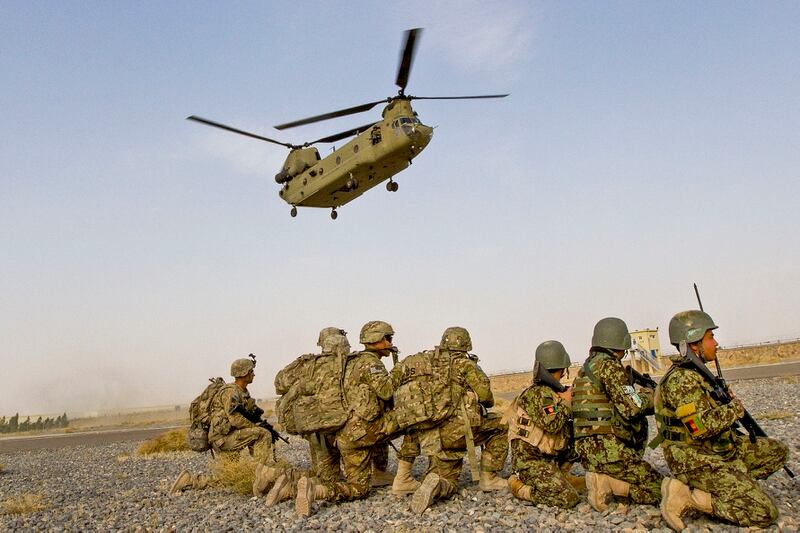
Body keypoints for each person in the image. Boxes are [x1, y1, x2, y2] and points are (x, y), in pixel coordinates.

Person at [654, 310, 789, 530]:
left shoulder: (699, 374)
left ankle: (732, 484)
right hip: (694, 458)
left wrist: (724, 401)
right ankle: (690, 497)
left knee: (777, 451)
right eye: (710, 337)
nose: (715, 343)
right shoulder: (682, 379)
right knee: (763, 512)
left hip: (717, 449)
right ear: (695, 343)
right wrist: (733, 409)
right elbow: (698, 427)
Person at [294, 321, 401, 516]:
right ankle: (405, 476)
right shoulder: (371, 363)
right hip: (359, 435)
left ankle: (286, 486)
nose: (390, 342)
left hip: (343, 431)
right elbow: (386, 392)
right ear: (376, 340)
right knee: (409, 420)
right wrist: (400, 373)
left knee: (345, 478)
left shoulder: (350, 361)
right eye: (388, 338)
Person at [409, 327, 508, 514]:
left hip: (432, 434)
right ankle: (489, 476)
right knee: (502, 425)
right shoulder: (466, 364)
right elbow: (487, 398)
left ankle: (437, 486)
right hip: (460, 432)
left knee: (449, 480)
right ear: (466, 344)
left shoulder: (428, 364)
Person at [572, 317, 664, 511]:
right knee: (662, 489)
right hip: (608, 450)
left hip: (589, 449)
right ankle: (608, 484)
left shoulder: (586, 368)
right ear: (620, 342)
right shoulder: (609, 366)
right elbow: (633, 407)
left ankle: (605, 479)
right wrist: (652, 396)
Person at [171, 357, 286, 496]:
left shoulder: (243, 392)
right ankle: (261, 475)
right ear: (244, 374)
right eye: (251, 371)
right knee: (262, 434)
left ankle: (190, 481)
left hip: (228, 436)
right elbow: (235, 419)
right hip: (223, 438)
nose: (253, 374)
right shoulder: (230, 392)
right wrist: (255, 426)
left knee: (232, 478)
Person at [507, 340, 583, 508]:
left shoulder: (551, 391)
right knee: (568, 498)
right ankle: (519, 486)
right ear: (563, 368)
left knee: (583, 435)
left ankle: (561, 474)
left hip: (547, 458)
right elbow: (553, 424)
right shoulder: (538, 394)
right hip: (530, 462)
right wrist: (567, 402)